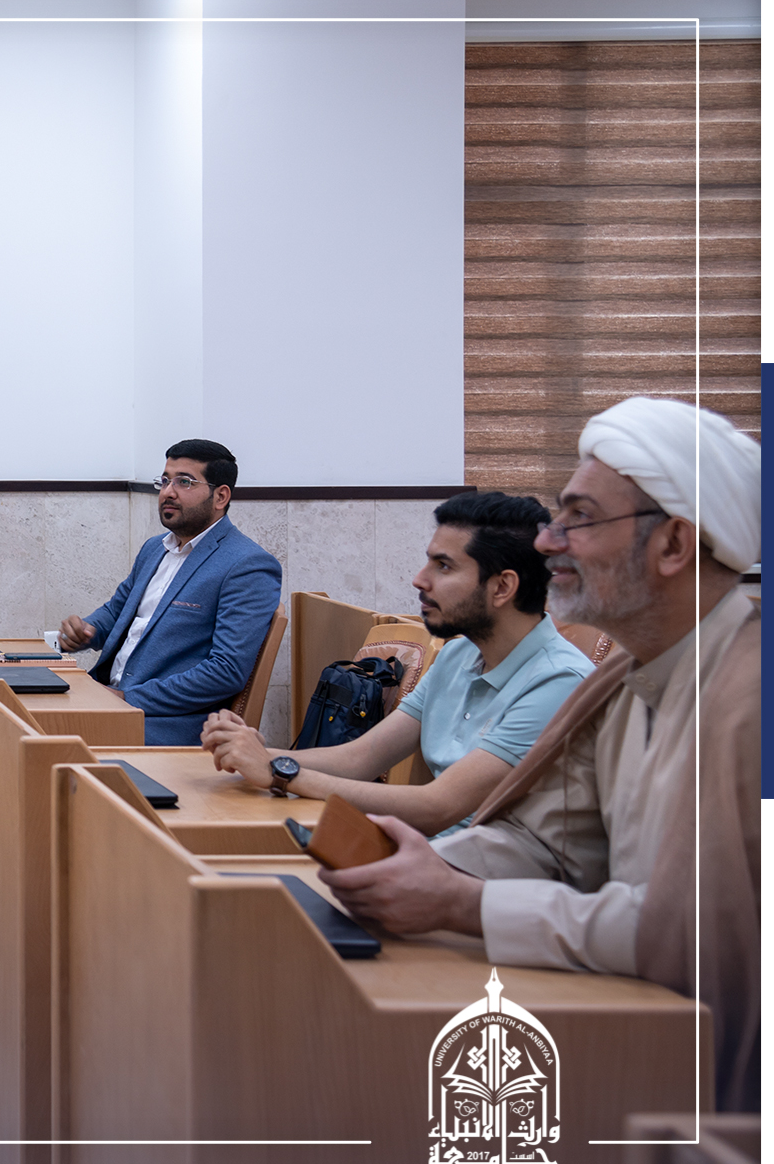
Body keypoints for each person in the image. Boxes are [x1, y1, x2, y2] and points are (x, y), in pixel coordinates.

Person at [317, 397, 760, 1112]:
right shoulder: (627, 677)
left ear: (674, 545)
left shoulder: (748, 700)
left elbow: (691, 933)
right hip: (630, 1025)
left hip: (706, 1077)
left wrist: (461, 901)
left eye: (579, 519)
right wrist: (418, 869)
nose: (549, 543)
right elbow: (544, 840)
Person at [199, 492, 594, 834]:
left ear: (502, 587)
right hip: (435, 856)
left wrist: (281, 773)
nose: (419, 579)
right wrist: (255, 753)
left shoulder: (560, 682)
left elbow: (437, 806)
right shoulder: (458, 655)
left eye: (443, 566)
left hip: (498, 881)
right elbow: (360, 758)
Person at [57, 439, 282, 745]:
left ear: (220, 496)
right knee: (17, 708)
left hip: (163, 724)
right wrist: (86, 630)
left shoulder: (247, 565)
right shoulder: (155, 549)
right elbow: (116, 612)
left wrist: (126, 698)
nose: (168, 492)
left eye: (184, 482)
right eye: (164, 481)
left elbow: (226, 671)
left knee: (36, 735)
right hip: (107, 698)